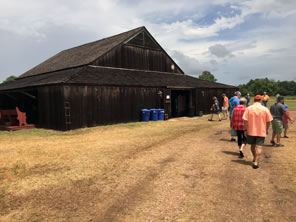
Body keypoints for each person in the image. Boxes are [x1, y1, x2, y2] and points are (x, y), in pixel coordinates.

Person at [243, 95, 273, 169]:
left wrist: (245, 129)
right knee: (259, 147)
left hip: (251, 131)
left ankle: (254, 157)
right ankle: (256, 163)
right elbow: (269, 121)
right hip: (261, 131)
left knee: (252, 146)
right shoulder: (265, 109)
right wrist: (266, 129)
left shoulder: (248, 108)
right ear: (261, 100)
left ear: (254, 100)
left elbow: (245, 120)